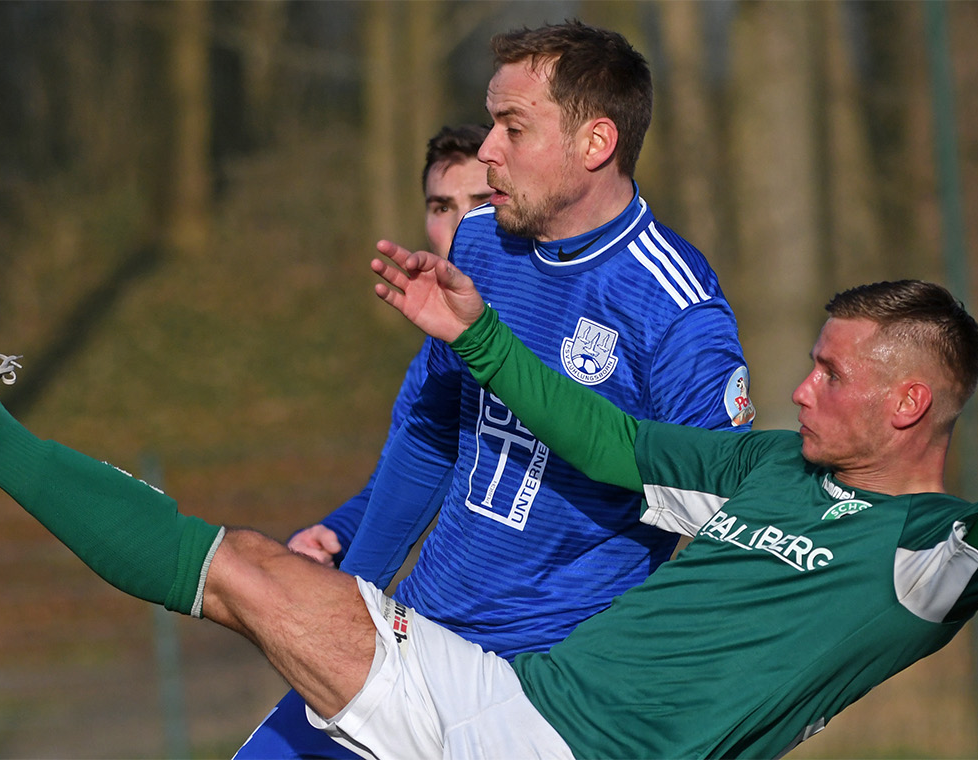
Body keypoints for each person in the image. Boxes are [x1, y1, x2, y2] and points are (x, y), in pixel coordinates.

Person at [0, 227, 978, 757]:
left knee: (251, 574)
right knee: (248, 566)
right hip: (511, 709)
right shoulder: (765, 465)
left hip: (556, 750)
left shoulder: (927, 550)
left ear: (909, 404)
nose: (802, 383)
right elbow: (608, 441)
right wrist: (479, 336)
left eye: (830, 372)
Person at [247, 21, 756, 755]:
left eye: (513, 127)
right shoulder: (484, 241)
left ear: (595, 143)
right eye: (490, 122)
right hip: (416, 633)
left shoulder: (676, 311)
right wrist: (341, 605)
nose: (486, 150)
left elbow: (723, 529)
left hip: (540, 690)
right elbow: (430, 432)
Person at [239, 124, 493, 760]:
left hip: (507, 671)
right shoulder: (434, 360)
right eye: (443, 208)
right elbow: (405, 482)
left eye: (481, 205)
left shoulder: (559, 341)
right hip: (413, 637)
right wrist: (338, 534)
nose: (461, 226)